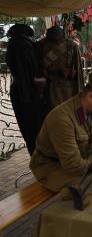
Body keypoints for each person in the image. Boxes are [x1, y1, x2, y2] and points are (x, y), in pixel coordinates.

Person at [30, 71, 92, 192]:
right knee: (88, 188)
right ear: (91, 96)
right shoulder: (62, 119)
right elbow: (73, 165)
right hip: (50, 167)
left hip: (81, 159)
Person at [6, 24, 47, 155]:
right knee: (32, 129)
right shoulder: (20, 45)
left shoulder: (19, 44)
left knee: (32, 129)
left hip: (26, 92)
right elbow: (23, 72)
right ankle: (38, 157)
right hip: (26, 94)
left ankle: (38, 156)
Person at [39, 25, 84, 109]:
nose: (56, 42)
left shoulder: (71, 46)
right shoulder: (42, 46)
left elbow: (78, 70)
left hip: (66, 89)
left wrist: (79, 92)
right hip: (49, 87)